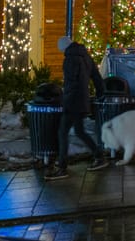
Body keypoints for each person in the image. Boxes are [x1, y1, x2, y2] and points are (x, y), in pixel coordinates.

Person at [44, 36, 109, 180]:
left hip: (72, 101)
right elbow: (96, 76)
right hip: (83, 100)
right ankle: (99, 157)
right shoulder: (85, 56)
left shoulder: (70, 59)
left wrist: (65, 101)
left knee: (62, 133)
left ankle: (62, 168)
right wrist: (100, 93)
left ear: (64, 49)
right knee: (79, 131)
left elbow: (71, 83)